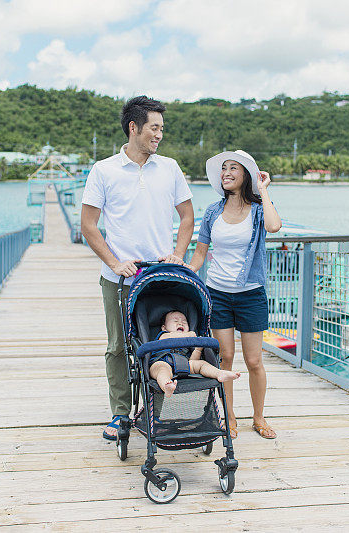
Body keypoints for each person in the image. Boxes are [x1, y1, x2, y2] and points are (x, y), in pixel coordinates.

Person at [80, 96, 195, 441]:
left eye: (162, 128)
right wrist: (115, 262)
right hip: (120, 278)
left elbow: (187, 216)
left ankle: (161, 407)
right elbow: (88, 224)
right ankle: (120, 413)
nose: (159, 135)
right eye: (154, 128)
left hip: (161, 278)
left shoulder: (170, 168)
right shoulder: (104, 170)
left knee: (161, 342)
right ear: (134, 128)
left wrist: (178, 253)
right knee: (118, 346)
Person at [188, 150, 282, 439]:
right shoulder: (213, 212)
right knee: (225, 358)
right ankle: (228, 417)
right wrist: (186, 272)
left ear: (246, 176)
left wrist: (263, 190)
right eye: (223, 169)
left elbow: (274, 226)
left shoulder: (257, 211)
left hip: (250, 294)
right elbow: (200, 253)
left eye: (233, 169)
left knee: (254, 361)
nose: (226, 173)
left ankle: (258, 417)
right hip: (218, 292)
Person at [150, 310, 241, 397]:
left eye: (185, 322)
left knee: (201, 364)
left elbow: (193, 360)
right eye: (175, 321)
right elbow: (167, 338)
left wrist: (197, 349)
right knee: (162, 370)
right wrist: (188, 335)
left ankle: (219, 373)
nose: (180, 323)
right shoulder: (164, 335)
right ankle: (166, 385)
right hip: (162, 361)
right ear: (164, 327)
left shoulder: (189, 343)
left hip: (185, 364)